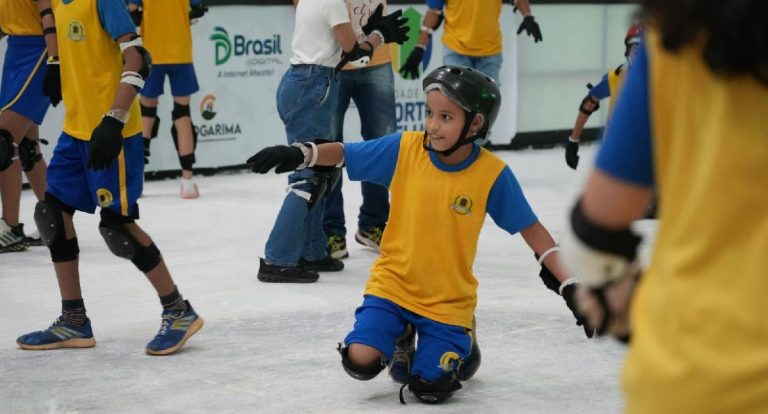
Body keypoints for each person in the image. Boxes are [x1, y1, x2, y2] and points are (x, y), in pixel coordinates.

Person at [247, 65, 590, 403]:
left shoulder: (492, 174)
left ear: (476, 123)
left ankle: (463, 337)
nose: (433, 125)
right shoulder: (406, 149)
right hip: (393, 286)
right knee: (359, 362)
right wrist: (302, 153)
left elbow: (534, 232)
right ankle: (401, 335)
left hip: (447, 300)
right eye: (430, 113)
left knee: (430, 387)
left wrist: (569, 285)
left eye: (446, 117)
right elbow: (346, 154)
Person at [560, 1, 768, 411]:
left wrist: (614, 301)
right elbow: (590, 102)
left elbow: (596, 229)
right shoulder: (624, 70)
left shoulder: (676, 39)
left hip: (691, 368)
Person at [16, 0, 202, 356]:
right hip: (76, 130)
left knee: (117, 225)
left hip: (112, 130)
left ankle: (178, 311)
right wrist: (55, 64)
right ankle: (73, 319)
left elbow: (137, 57)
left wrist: (114, 118)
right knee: (53, 216)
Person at [256, 0, 408, 283]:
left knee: (321, 170)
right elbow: (357, 56)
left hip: (309, 81)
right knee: (309, 175)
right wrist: (379, 35)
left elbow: (343, 47)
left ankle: (313, 250)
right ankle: (277, 258)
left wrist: (371, 33)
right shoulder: (334, 3)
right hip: (313, 85)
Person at [324, 0, 396, 259]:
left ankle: (374, 224)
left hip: (378, 58)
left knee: (384, 146)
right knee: (328, 146)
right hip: (332, 59)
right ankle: (330, 230)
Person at [127, 0, 208, 199]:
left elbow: (132, 11)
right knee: (182, 113)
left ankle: (137, 184)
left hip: (153, 51)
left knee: (146, 114)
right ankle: (187, 183)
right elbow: (198, 8)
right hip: (180, 51)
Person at [0, 0, 59, 252]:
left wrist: (55, 61)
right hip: (16, 49)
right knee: (26, 147)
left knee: (3, 141)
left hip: (39, 50)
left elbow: (48, 14)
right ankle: (57, 224)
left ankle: (10, 227)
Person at [399, 0, 542, 83]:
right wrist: (419, 48)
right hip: (456, 48)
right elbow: (434, 11)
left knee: (485, 109)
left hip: (490, 50)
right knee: (459, 105)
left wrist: (528, 16)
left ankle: (481, 136)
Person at [565, 24, 642, 170]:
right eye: (636, 50)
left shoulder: (666, 83)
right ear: (628, 51)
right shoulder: (616, 78)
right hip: (617, 154)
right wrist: (573, 140)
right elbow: (589, 102)